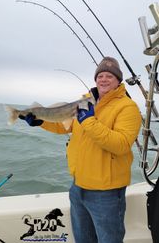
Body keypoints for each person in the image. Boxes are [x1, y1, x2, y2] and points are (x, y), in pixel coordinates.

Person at [19, 57, 142, 243]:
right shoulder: (85, 102)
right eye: (100, 75)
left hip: (106, 192)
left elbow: (121, 144)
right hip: (78, 187)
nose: (104, 79)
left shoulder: (127, 107)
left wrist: (89, 121)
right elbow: (65, 126)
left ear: (118, 81)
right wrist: (41, 121)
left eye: (109, 76)